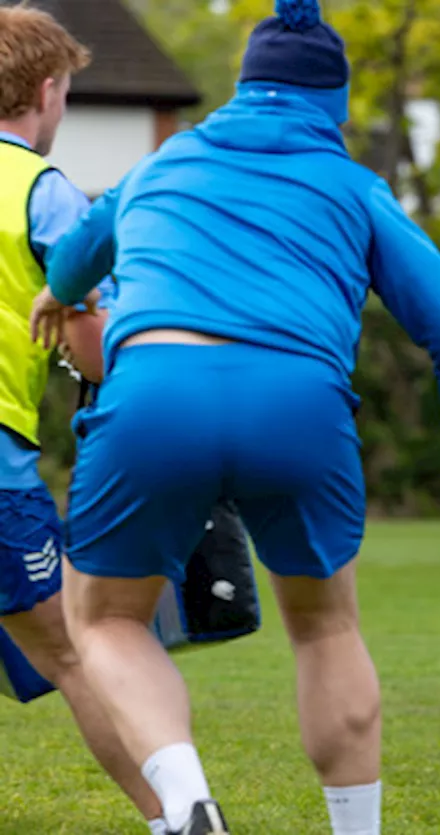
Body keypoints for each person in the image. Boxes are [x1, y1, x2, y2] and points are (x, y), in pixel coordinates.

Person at [28, 2, 440, 833]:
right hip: (298, 405)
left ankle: (186, 800)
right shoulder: (354, 186)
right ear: (337, 105)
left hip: (155, 396)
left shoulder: (165, 161)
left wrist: (62, 292)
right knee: (326, 627)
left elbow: (77, 254)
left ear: (242, 86)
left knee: (107, 618)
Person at [0, 6, 167, 832]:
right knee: (78, 652)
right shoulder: (42, 188)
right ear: (49, 89)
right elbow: (92, 340)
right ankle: (177, 819)